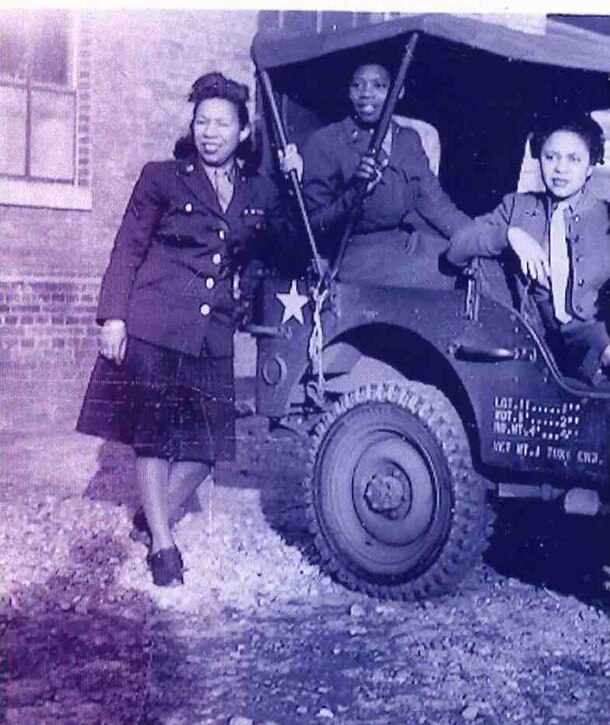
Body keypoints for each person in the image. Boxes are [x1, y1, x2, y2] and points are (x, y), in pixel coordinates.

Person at [76, 72, 303, 587]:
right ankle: (162, 543)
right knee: (153, 438)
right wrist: (113, 315)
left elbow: (291, 244)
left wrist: (291, 182)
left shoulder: (258, 192)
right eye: (202, 121)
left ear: (243, 132)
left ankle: (150, 516)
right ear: (192, 126)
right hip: (154, 323)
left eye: (222, 123)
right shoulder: (161, 177)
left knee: (207, 449)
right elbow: (129, 246)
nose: (210, 132)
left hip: (212, 332)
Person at [445, 112, 610, 390]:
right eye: (551, 157)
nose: (560, 169)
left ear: (591, 166)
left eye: (574, 159)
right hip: (538, 349)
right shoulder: (517, 208)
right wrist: (510, 235)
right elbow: (456, 249)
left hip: (608, 352)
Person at [301, 62, 470, 287]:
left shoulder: (408, 140)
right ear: (348, 92)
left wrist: (479, 238)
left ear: (398, 92)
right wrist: (354, 194)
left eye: (379, 86)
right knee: (449, 277)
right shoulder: (327, 141)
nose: (366, 94)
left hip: (402, 245)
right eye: (357, 86)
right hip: (352, 256)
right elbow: (313, 225)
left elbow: (437, 205)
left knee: (468, 261)